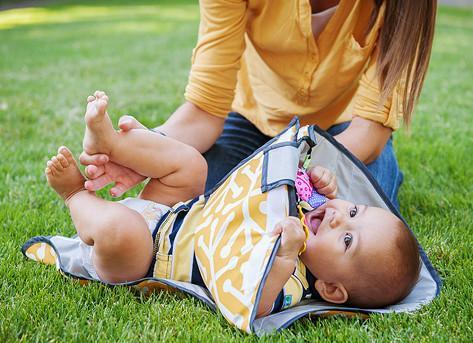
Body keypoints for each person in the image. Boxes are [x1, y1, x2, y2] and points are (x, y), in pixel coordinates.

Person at [45, 92, 419, 314]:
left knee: (121, 229)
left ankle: (76, 196)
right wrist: (325, 186)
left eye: (348, 240)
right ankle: (113, 144)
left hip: (148, 255)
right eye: (354, 211)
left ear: (332, 290)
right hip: (177, 212)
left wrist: (285, 256)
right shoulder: (313, 211)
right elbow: (308, 190)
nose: (339, 219)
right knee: (193, 165)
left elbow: (255, 304)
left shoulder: (295, 281)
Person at [78, 1, 437, 210]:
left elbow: (369, 132)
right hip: (252, 119)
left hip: (345, 134)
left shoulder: (405, 6)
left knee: (356, 221)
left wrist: (287, 174)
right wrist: (149, 149)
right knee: (203, 204)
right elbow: (203, 112)